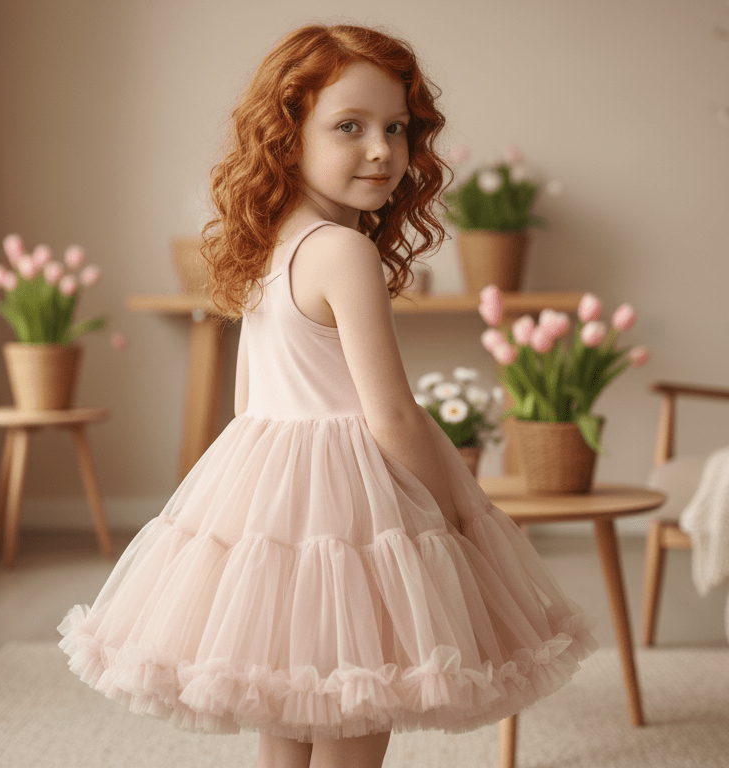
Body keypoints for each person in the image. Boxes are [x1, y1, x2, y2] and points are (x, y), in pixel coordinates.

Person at [58, 22, 598, 768]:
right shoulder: (345, 251)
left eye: (396, 128)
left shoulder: (270, 242)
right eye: (350, 127)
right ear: (288, 137)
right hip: (355, 501)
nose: (381, 149)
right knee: (357, 685)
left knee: (291, 688)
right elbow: (392, 414)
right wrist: (452, 517)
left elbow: (247, 404)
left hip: (272, 494)